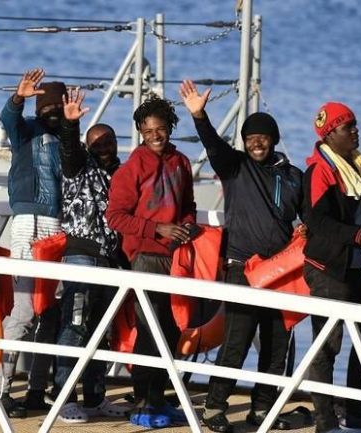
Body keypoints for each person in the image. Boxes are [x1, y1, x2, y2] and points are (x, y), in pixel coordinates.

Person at [179, 80, 304, 433]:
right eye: (250, 138)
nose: (256, 143)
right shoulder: (235, 166)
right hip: (241, 269)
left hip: (281, 273)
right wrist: (199, 116)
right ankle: (214, 408)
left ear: (273, 139)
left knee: (277, 345)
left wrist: (310, 228)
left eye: (262, 137)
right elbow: (213, 146)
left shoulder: (294, 176)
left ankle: (262, 410)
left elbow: (309, 216)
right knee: (236, 341)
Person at [106, 95, 196, 428]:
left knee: (170, 330)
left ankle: (158, 399)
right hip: (144, 257)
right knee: (149, 330)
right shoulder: (132, 168)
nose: (155, 136)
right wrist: (157, 228)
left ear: (170, 127)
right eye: (148, 131)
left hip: (176, 259)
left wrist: (188, 225)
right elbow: (115, 216)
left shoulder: (181, 162)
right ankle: (142, 403)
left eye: (160, 129)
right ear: (141, 133)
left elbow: (188, 205)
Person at [303, 102, 361, 433]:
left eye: (354, 124)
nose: (355, 130)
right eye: (347, 126)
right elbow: (316, 221)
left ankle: (356, 413)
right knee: (327, 345)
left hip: (357, 267)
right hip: (327, 267)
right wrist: (359, 236)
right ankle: (325, 423)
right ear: (329, 134)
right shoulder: (319, 171)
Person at [0, 68, 65, 417]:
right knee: (22, 311)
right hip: (26, 226)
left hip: (57, 228)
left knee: (49, 312)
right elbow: (8, 118)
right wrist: (18, 98)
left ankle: (36, 390)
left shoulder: (69, 139)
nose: (52, 112)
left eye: (57, 106)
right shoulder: (26, 132)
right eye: (46, 106)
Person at [51, 88, 128, 423]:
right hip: (81, 257)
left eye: (108, 141)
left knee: (100, 331)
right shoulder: (78, 168)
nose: (104, 147)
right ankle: (64, 397)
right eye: (96, 143)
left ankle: (95, 397)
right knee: (75, 326)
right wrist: (70, 125)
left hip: (110, 261)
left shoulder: (123, 175)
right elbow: (69, 150)